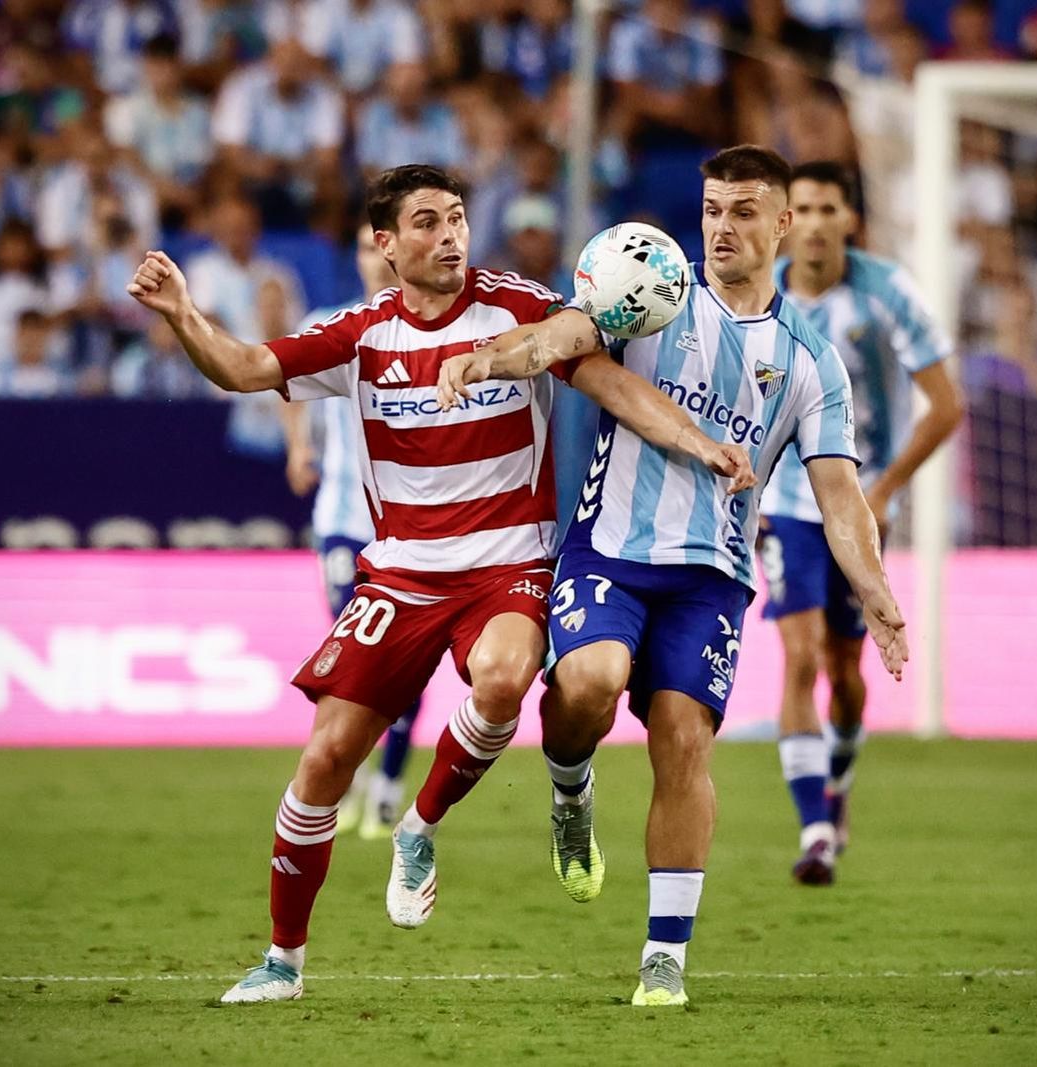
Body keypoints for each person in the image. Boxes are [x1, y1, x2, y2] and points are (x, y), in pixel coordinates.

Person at [125, 163, 752, 1005]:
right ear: (385, 244)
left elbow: (613, 384)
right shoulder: (361, 333)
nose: (449, 235)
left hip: (511, 565)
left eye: (456, 218)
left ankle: (417, 826)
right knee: (323, 760)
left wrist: (699, 442)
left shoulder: (519, 307)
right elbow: (242, 368)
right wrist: (183, 313)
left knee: (503, 676)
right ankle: (282, 960)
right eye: (426, 222)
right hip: (400, 572)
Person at [434, 145, 909, 1007]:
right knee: (590, 683)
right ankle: (570, 787)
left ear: (783, 223)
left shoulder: (810, 361)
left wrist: (876, 591)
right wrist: (488, 359)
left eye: (741, 210)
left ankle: (665, 955)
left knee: (683, 739)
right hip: (610, 549)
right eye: (712, 207)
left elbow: (840, 497)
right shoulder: (650, 288)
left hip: (713, 576)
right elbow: (560, 337)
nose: (721, 225)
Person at [758, 161, 965, 886]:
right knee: (802, 653)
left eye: (827, 208)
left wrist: (883, 491)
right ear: (785, 221)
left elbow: (946, 404)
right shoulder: (761, 293)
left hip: (858, 501)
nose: (813, 222)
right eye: (802, 208)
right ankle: (815, 829)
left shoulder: (887, 292)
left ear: (852, 219)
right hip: (783, 498)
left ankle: (837, 785)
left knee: (848, 674)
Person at [280, 224, 422, 841]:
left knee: (406, 661)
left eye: (382, 247)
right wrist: (296, 448)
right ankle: (348, 776)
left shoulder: (433, 327)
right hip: (343, 519)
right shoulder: (331, 322)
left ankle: (387, 784)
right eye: (365, 248)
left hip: (411, 525)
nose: (377, 259)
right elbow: (285, 379)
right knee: (358, 656)